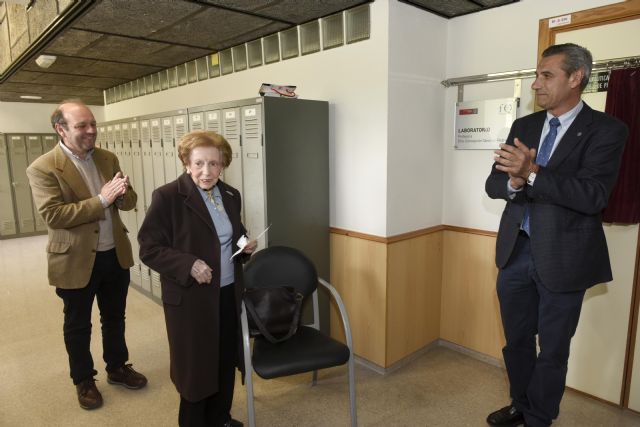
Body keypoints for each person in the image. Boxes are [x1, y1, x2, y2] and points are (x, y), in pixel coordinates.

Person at [485, 43, 628, 427]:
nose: (536, 84)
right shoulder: (525, 126)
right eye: (537, 75)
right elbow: (493, 185)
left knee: (552, 351)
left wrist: (532, 173)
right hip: (516, 252)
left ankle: (538, 418)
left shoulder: (608, 130)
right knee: (516, 342)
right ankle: (520, 402)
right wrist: (514, 182)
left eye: (546, 75)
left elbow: (592, 195)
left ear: (576, 78)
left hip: (565, 258)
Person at [26, 100, 147, 410]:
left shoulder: (107, 157)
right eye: (82, 126)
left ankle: (118, 368)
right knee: (78, 325)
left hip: (113, 253)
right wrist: (102, 199)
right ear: (61, 129)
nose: (92, 130)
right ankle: (83, 380)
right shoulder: (42, 167)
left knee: (114, 318)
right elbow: (54, 215)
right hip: (75, 260)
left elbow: (129, 202)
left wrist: (122, 195)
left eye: (93, 124)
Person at [138, 130, 257, 427]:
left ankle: (220, 418)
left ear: (223, 164)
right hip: (190, 298)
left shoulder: (230, 195)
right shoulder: (167, 197)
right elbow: (149, 249)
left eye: (215, 164)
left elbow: (233, 235)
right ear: (186, 163)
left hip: (227, 293)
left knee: (224, 360)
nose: (207, 171)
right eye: (200, 163)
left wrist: (244, 247)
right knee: (195, 368)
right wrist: (188, 264)